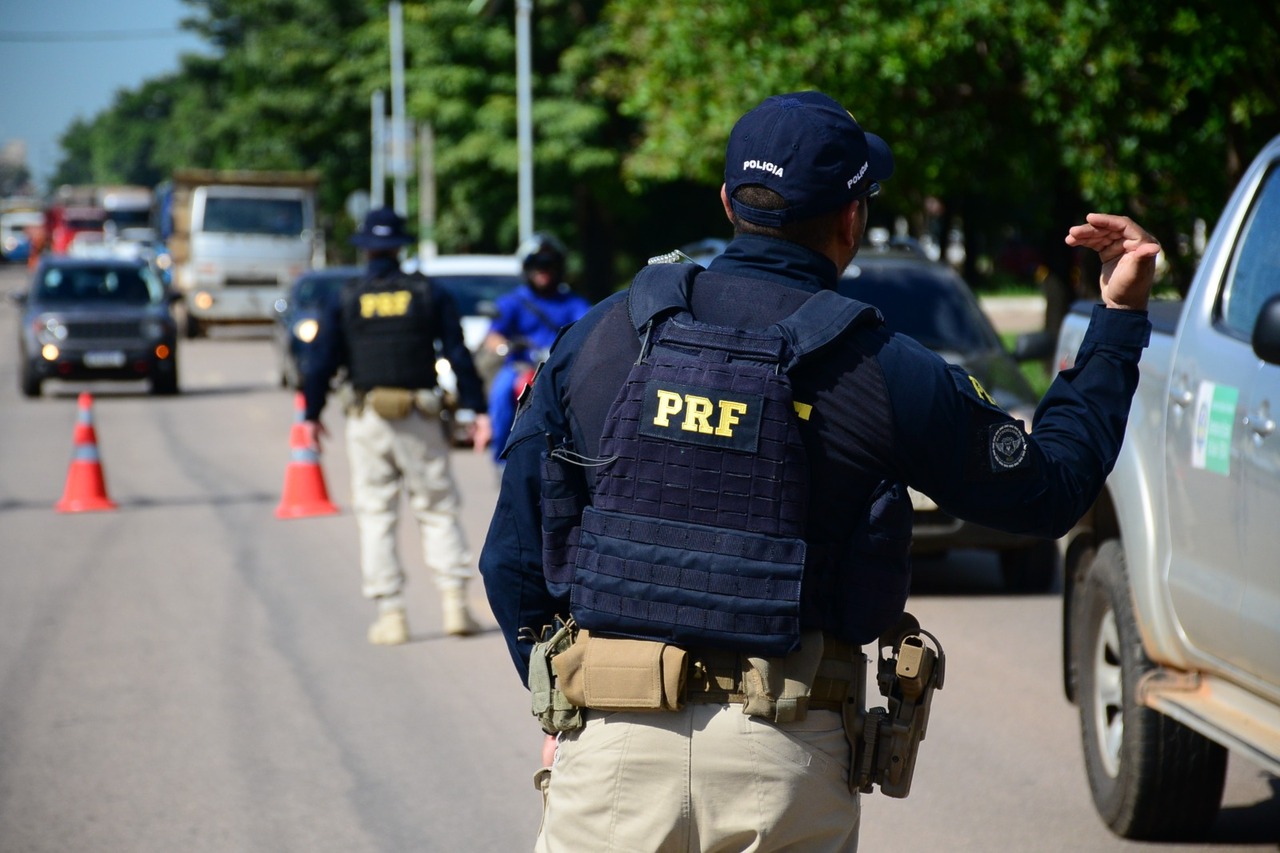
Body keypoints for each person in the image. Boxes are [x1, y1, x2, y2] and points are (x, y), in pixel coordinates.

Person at [478, 91, 1158, 851]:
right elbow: (1052, 490)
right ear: (850, 219)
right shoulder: (882, 368)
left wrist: (564, 703)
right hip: (784, 763)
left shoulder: (600, 336)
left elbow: (510, 557)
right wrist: (1118, 322)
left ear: (729, 201)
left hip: (609, 753)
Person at [303, 207, 493, 645]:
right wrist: (477, 410)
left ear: (366, 250)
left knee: (375, 514)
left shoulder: (347, 296)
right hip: (420, 418)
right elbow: (458, 354)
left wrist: (311, 415)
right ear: (401, 246)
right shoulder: (427, 293)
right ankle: (454, 606)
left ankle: (392, 616)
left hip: (368, 419)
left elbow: (320, 362)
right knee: (437, 508)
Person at [481, 233, 591, 461]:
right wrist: (503, 345)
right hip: (522, 368)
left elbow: (591, 327)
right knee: (501, 394)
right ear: (526, 268)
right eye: (536, 265)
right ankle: (502, 458)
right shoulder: (513, 301)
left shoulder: (574, 303)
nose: (543, 270)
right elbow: (493, 335)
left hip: (562, 369)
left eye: (549, 265)